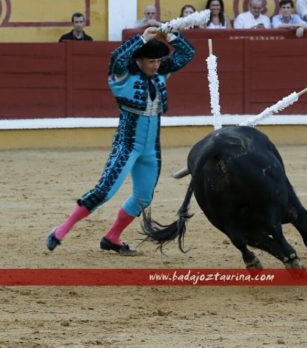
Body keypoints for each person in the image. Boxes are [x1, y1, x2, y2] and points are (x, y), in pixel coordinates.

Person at [46, 26, 195, 255]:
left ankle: (112, 237)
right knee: (104, 191)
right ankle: (62, 229)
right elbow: (117, 56)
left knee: (144, 197)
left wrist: (170, 36)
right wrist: (142, 38)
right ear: (139, 60)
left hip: (151, 149)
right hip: (127, 145)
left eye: (158, 61)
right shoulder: (122, 75)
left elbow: (188, 53)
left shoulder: (160, 73)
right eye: (151, 61)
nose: (156, 65)